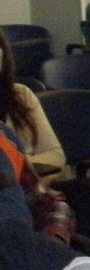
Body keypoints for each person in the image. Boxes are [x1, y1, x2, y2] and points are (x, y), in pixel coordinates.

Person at [0, 30, 65, 171]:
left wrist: (19, 165)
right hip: (9, 189)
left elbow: (56, 156)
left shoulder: (21, 94)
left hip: (31, 186)